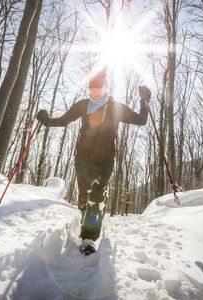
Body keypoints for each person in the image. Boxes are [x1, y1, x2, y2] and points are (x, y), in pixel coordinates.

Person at [36, 69, 151, 254]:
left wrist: (144, 101)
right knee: (84, 198)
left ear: (105, 87)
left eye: (99, 87)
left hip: (105, 161)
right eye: (92, 88)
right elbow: (63, 121)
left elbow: (140, 120)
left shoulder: (115, 107)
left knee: (96, 197)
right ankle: (86, 219)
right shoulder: (82, 105)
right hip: (82, 159)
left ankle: (89, 237)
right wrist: (46, 120)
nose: (95, 91)